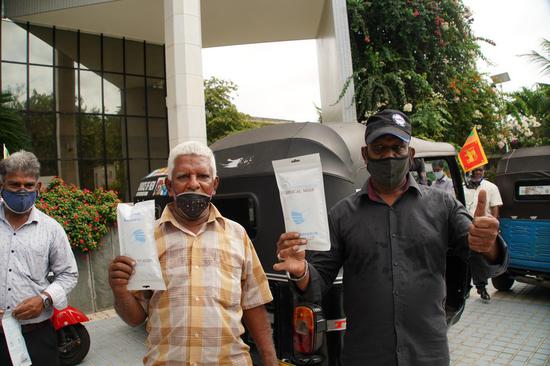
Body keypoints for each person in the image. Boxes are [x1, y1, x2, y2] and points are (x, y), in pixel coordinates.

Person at [274, 109, 508, 366]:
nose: (389, 156)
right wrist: (301, 271)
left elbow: (483, 260)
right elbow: (319, 282)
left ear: (411, 154)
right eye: (380, 148)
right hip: (365, 355)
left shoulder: (443, 205)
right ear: (366, 155)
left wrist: (489, 244)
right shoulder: (342, 214)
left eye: (398, 148)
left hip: (427, 354)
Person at [109, 141, 277, 366]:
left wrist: (270, 359)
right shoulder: (147, 239)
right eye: (183, 177)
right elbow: (135, 317)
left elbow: (253, 304)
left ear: (214, 184)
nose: (193, 184)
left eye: (203, 176)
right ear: (169, 185)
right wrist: (120, 290)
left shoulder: (237, 235)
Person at [0, 151, 78, 366]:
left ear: (38, 187)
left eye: (29, 185)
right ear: (2, 186)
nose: (22, 191)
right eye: (15, 185)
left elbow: (68, 274)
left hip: (37, 334)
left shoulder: (52, 229)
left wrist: (44, 298)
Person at [464, 165, 503, 302]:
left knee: (479, 260)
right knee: (464, 259)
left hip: (483, 231)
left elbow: (495, 207)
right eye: (475, 170)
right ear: (470, 171)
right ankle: (465, 288)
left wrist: (495, 227)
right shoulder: (462, 187)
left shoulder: (491, 187)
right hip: (464, 228)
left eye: (480, 170)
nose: (478, 172)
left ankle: (482, 288)